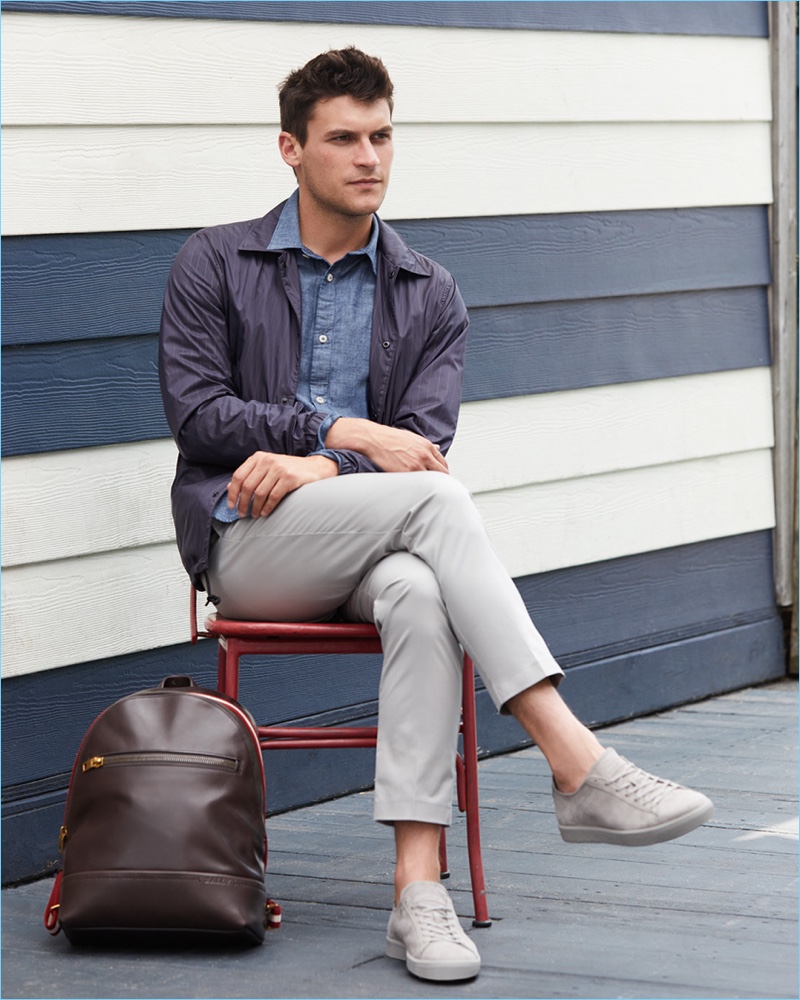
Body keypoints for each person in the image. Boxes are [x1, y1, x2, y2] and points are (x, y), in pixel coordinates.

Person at [159, 47, 714, 983]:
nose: (367, 157)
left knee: (420, 591)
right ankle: (573, 760)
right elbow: (198, 411)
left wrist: (314, 460)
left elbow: (417, 446)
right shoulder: (215, 260)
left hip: (368, 539)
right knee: (438, 502)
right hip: (245, 542)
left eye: (381, 136)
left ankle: (418, 897)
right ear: (291, 149)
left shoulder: (430, 292)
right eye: (343, 139)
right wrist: (341, 428)